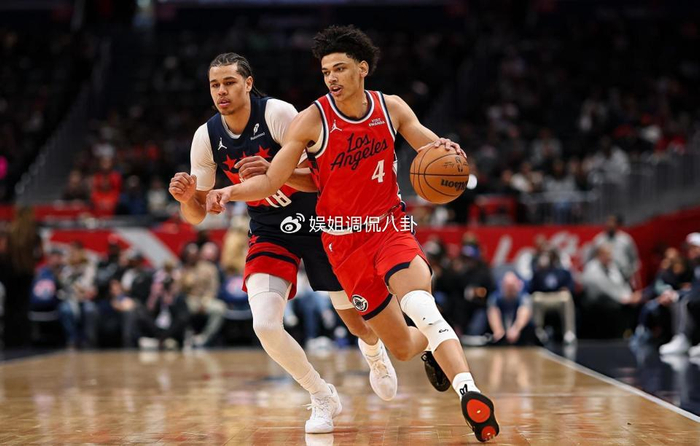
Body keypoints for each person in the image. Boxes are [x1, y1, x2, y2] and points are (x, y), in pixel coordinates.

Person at [204, 27, 499, 442]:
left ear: (362, 68)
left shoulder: (391, 108)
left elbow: (430, 149)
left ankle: (470, 392)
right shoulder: (311, 120)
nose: (332, 78)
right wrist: (229, 191)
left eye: (340, 69)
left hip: (389, 227)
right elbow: (272, 181)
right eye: (326, 72)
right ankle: (428, 349)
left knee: (420, 304)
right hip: (342, 243)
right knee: (402, 345)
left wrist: (449, 153)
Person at [168, 52, 397, 434]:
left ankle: (374, 352)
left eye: (229, 82)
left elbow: (327, 174)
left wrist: (277, 172)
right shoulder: (206, 137)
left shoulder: (277, 113)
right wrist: (187, 199)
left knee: (357, 323)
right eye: (214, 85)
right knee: (265, 324)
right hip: (270, 229)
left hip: (321, 220)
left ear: (248, 83)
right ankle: (321, 395)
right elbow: (199, 214)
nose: (221, 91)